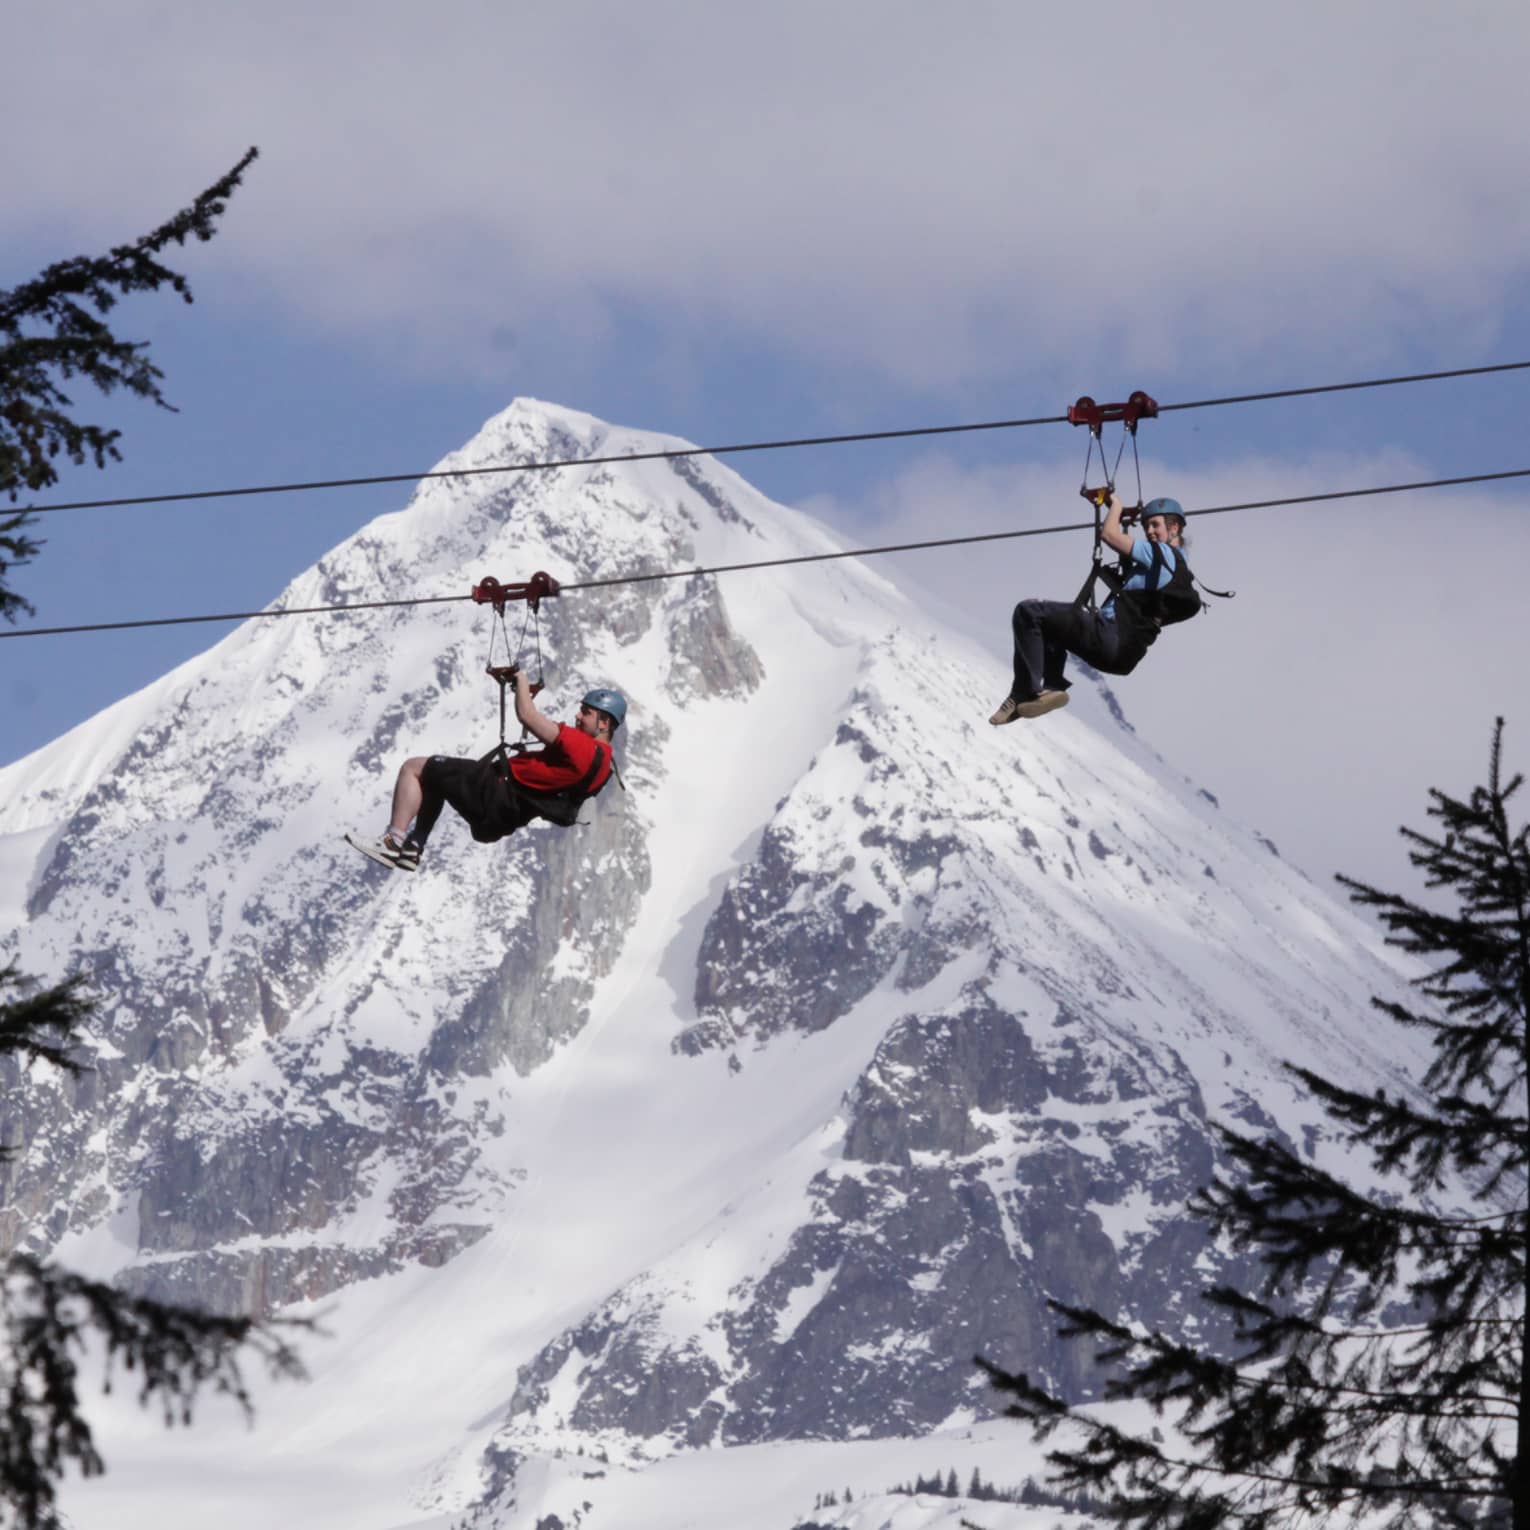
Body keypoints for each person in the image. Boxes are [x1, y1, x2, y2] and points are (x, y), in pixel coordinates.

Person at [346, 672, 626, 871]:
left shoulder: (583, 747)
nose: (578, 716)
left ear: (604, 723)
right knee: (434, 779)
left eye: (586, 713)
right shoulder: (602, 767)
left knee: (414, 768)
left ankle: (393, 840)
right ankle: (413, 847)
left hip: (494, 789)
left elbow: (528, 717)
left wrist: (521, 677)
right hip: (506, 816)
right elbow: (551, 769)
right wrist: (524, 695)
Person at [991, 493, 1195, 725]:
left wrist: (1115, 506)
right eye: (1147, 525)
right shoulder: (1175, 569)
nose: (1149, 531)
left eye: (1155, 524)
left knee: (1029, 611)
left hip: (1110, 637)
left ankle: (1023, 693)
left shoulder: (1162, 554)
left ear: (1174, 527)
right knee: (1051, 626)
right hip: (1122, 656)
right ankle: (1052, 687)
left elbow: (1109, 535)